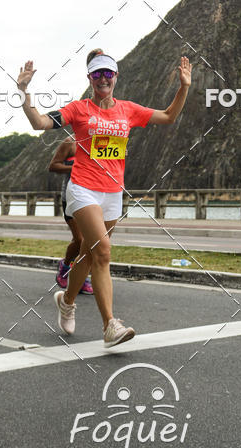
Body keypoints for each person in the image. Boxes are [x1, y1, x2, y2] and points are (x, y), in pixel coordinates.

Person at [18, 52, 192, 347]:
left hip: (113, 193)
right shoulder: (79, 109)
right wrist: (24, 92)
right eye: (97, 75)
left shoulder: (128, 110)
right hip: (83, 189)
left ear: (116, 77)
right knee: (104, 251)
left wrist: (184, 87)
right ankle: (110, 325)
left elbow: (169, 116)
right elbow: (40, 123)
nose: (103, 79)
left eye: (107, 74)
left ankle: (67, 301)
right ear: (89, 79)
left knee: (89, 254)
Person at [49, 135, 93, 294]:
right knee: (80, 239)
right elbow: (53, 166)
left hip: (93, 197)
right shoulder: (70, 142)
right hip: (71, 197)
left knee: (91, 242)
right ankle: (65, 267)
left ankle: (80, 277)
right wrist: (76, 167)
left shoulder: (102, 140)